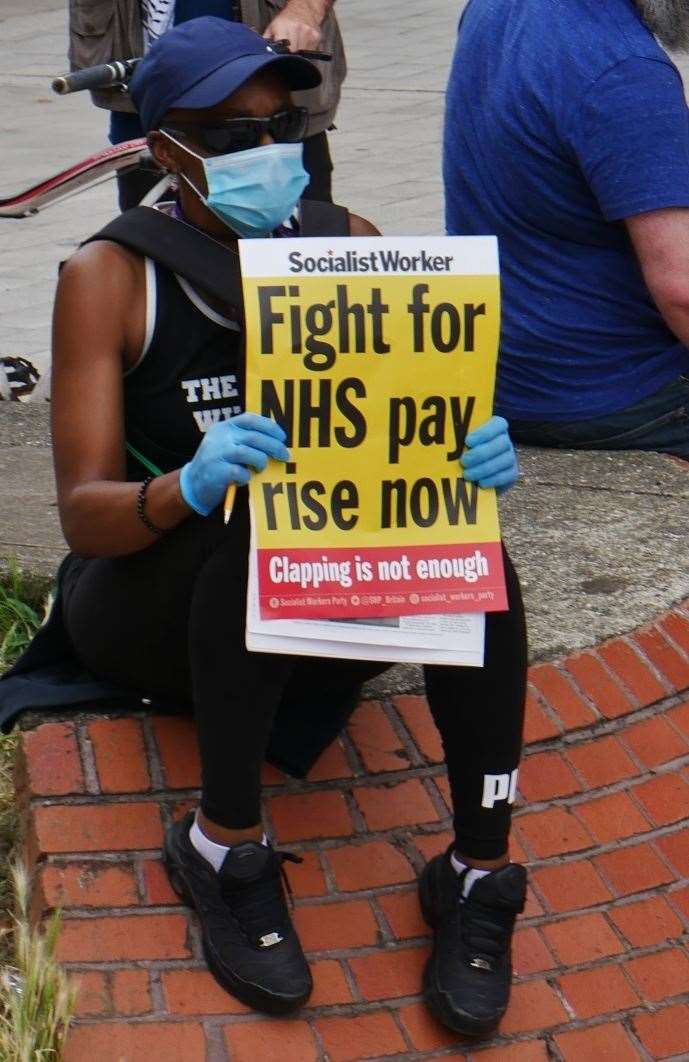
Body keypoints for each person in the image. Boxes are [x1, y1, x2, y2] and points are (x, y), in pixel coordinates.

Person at [9, 18, 528, 1036]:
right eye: (229, 134)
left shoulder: (352, 247)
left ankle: (478, 869)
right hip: (152, 590)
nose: (265, 154)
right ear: (163, 149)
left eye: (281, 124)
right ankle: (224, 844)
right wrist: (187, 487)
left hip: (312, 593)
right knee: (253, 524)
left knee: (481, 559)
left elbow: (405, 453)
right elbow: (86, 518)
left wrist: (464, 458)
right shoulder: (111, 278)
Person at [444, 0, 689, 460]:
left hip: (502, 370)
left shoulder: (495, 8)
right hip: (607, 392)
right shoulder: (624, 70)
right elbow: (683, 293)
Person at [68, 0, 345, 208]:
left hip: (268, 75)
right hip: (148, 74)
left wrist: (304, 9)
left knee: (306, 236)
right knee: (153, 239)